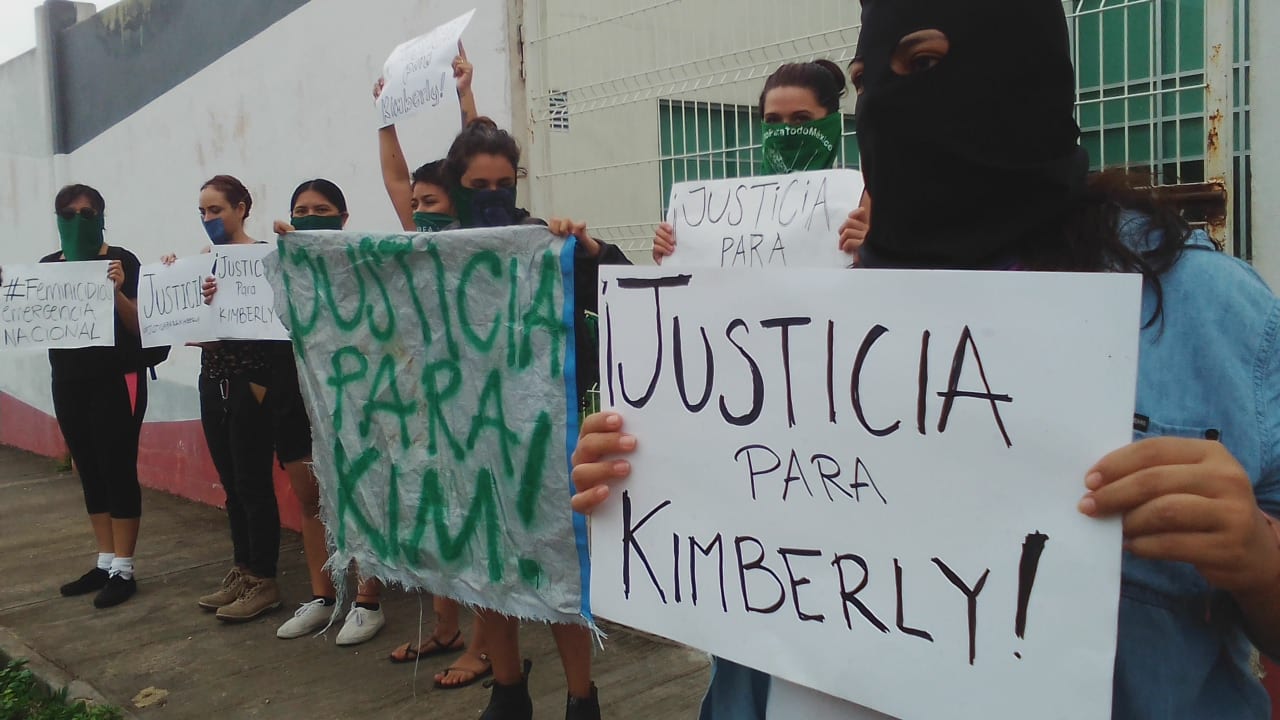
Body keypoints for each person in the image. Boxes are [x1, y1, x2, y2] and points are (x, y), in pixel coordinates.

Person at [571, 1, 1280, 719]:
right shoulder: (806, 299)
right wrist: (644, 468)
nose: (887, 103)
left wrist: (1257, 555)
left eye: (926, 64)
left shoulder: (1203, 313)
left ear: (1023, 67)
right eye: (867, 82)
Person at [438, 117, 628, 720]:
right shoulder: (433, 251)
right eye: (479, 185)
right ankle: (508, 690)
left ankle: (581, 697)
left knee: (555, 566)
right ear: (457, 186)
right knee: (486, 568)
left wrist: (589, 251)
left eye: (504, 182)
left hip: (545, 436)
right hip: (468, 435)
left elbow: (617, 288)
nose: (493, 194)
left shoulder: (544, 241)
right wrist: (300, 249)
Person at [370, 45, 497, 677]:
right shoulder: (419, 239)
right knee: (439, 515)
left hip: (478, 399)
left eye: (432, 202)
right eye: (415, 202)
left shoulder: (476, 234)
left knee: (479, 522)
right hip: (427, 396)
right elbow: (396, 179)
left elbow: (475, 157)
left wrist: (466, 97)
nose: (418, 210)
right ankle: (446, 629)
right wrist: (385, 118)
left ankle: (485, 645)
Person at [261, 179, 389, 646]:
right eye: (302, 210)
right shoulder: (279, 262)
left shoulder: (362, 263)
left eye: (322, 209)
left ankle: (367, 599)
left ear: (343, 218)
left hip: (352, 391)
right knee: (309, 495)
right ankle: (322, 596)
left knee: (361, 493)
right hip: (295, 386)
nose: (310, 217)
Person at [174, 175, 284, 623]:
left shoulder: (265, 258)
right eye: (202, 211)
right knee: (232, 484)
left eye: (216, 209)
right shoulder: (205, 262)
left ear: (241, 208)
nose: (208, 218)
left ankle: (265, 579)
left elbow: (273, 322)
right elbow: (198, 320)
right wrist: (177, 281)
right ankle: (243, 569)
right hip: (213, 378)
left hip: (251, 381)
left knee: (252, 482)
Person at [34, 184, 147, 609]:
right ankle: (104, 560)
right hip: (68, 382)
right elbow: (31, 319)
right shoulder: (48, 267)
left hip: (117, 380)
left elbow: (142, 327)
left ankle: (124, 568)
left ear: (101, 216)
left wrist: (115, 291)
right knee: (89, 468)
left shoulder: (122, 260)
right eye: (68, 214)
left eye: (86, 213)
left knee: (118, 467)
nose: (77, 220)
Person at [651, 60, 868, 265]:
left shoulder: (861, 201)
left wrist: (871, 253)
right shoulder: (727, 210)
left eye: (801, 118)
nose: (785, 130)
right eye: (773, 120)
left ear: (830, 123)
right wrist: (675, 255)